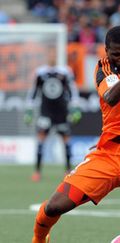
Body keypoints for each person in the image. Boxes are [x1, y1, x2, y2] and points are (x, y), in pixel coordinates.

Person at [31, 26, 120, 243]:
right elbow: (112, 98)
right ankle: (38, 240)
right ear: (106, 51)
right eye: (116, 54)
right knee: (54, 206)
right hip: (106, 155)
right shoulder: (103, 69)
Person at [25, 50, 81, 182]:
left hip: (61, 112)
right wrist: (29, 110)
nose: (52, 57)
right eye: (50, 55)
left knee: (66, 140)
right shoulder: (40, 73)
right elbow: (34, 91)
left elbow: (72, 90)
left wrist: (75, 108)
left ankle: (68, 170)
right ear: (47, 57)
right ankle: (37, 171)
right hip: (46, 112)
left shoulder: (65, 72)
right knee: (41, 140)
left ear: (57, 57)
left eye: (54, 55)